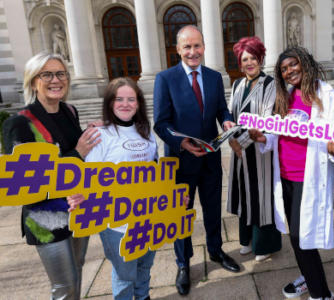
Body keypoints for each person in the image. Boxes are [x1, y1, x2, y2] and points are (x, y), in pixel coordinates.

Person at [249, 47, 334, 300]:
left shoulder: (327, 96)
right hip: (284, 175)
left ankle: (320, 293)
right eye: (283, 69)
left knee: (300, 235)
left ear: (305, 63)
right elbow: (276, 135)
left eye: (293, 65)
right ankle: (308, 277)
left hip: (308, 178)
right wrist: (263, 137)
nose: (289, 71)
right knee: (296, 237)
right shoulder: (286, 96)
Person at [2, 52, 100, 299]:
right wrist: (77, 153)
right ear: (33, 81)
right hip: (45, 218)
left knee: (76, 272)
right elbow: (25, 182)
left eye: (61, 73)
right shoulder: (19, 123)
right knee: (63, 287)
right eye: (47, 74)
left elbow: (76, 157)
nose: (56, 80)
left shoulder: (70, 111)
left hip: (78, 208)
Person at [153, 25, 239, 296]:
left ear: (204, 47)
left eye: (197, 46)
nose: (193, 51)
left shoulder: (214, 77)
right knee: (183, 215)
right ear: (177, 49)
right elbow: (160, 123)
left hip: (211, 158)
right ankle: (183, 263)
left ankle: (215, 251)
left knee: (213, 209)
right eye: (187, 47)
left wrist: (226, 119)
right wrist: (182, 144)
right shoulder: (165, 78)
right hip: (181, 161)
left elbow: (221, 108)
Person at [83, 77, 157, 300]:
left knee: (145, 266)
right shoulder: (99, 135)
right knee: (125, 273)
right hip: (116, 221)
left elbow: (155, 172)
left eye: (131, 99)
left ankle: (143, 297)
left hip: (148, 215)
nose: (125, 104)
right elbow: (89, 180)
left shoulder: (146, 131)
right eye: (119, 99)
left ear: (139, 103)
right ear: (109, 103)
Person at [226, 36, 281, 262]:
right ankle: (247, 239)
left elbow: (267, 120)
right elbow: (229, 115)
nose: (249, 63)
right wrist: (230, 137)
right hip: (238, 151)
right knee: (244, 195)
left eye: (253, 58)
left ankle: (265, 245)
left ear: (261, 58)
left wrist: (242, 142)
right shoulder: (238, 84)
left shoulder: (271, 84)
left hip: (259, 150)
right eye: (244, 58)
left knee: (261, 195)